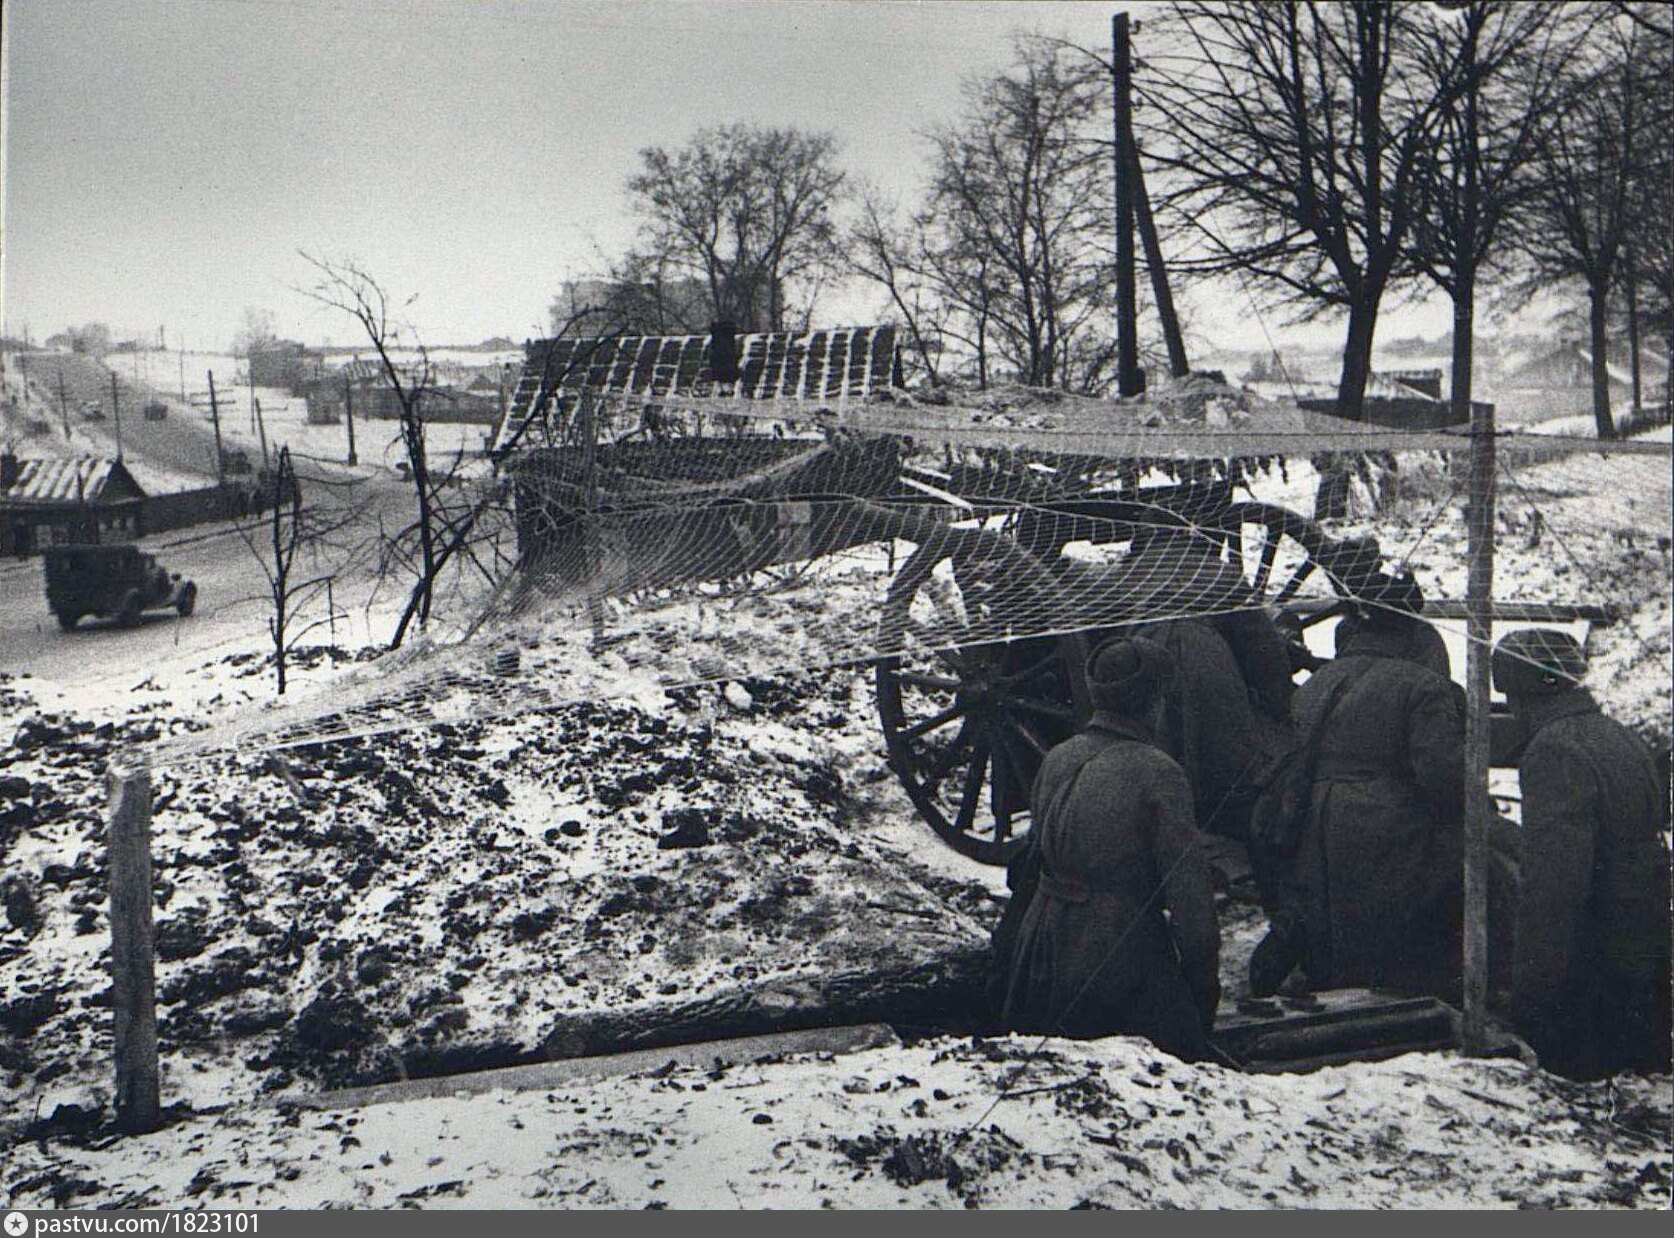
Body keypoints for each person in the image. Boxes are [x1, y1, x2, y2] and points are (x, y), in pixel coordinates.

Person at [1000, 637, 1221, 1060]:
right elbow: (1192, 908)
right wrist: (1199, 994)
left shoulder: (1059, 757)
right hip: (1116, 954)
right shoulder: (1159, 773)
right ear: (1152, 701)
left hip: (1041, 950)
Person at [1252, 573, 1467, 998]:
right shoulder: (1421, 686)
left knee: (1326, 908)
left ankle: (1319, 966)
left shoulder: (1316, 684)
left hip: (1310, 817)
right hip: (1383, 821)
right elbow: (1443, 780)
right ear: (1409, 629)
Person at [1493, 628, 1671, 1080]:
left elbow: (1554, 887)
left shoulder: (1553, 749)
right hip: (1644, 924)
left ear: (1523, 693)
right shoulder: (1617, 733)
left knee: (1584, 1069)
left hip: (1599, 940)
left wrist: (1531, 995)